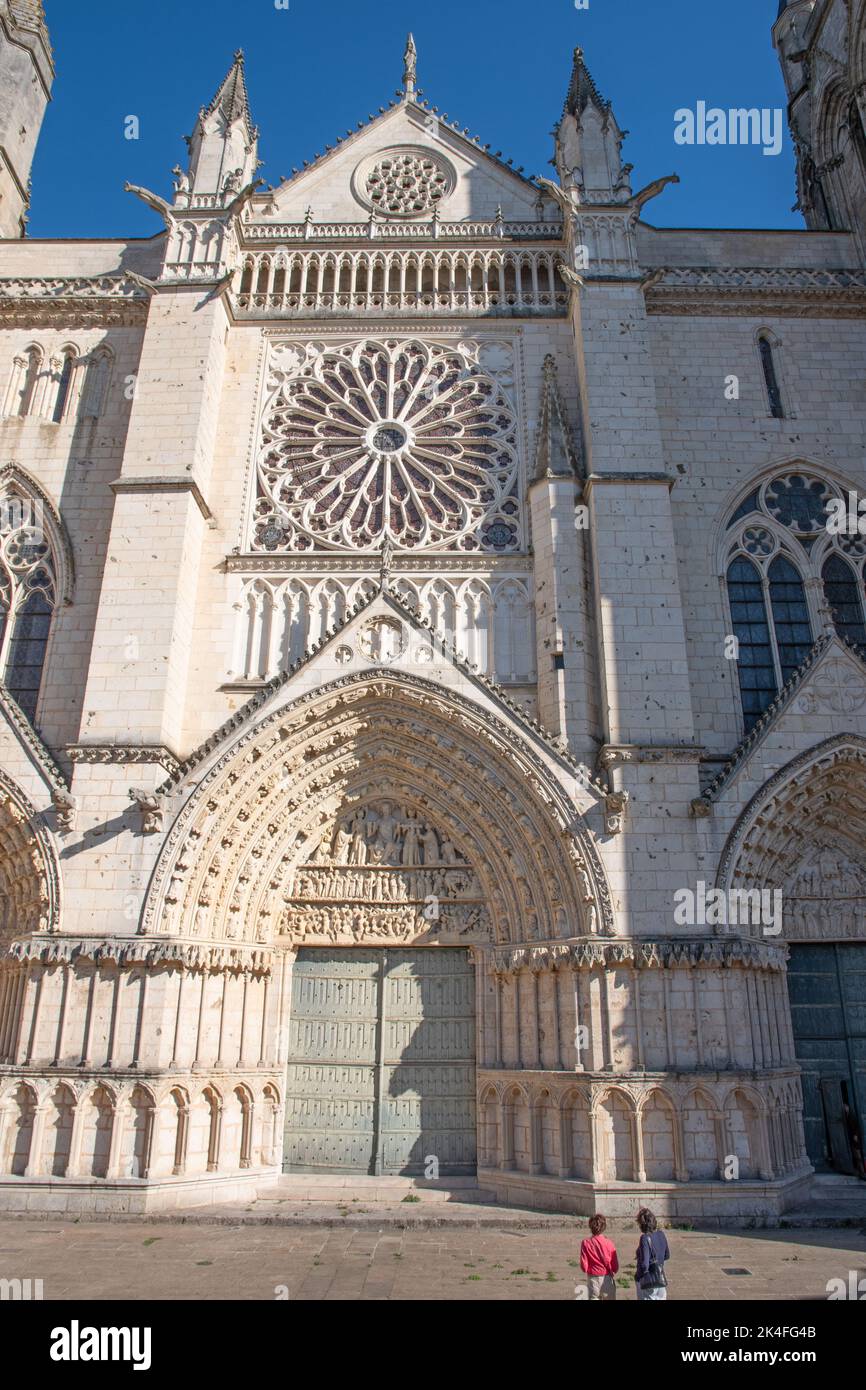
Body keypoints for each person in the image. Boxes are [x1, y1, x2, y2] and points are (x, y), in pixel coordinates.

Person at [579, 1214, 619, 1301]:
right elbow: (615, 1267)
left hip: (593, 1279)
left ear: (590, 1226)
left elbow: (584, 1267)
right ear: (604, 1227)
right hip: (607, 1278)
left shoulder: (586, 1243)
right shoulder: (609, 1243)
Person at [635, 1207, 670, 1301]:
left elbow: (645, 1265)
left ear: (642, 1224)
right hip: (660, 1276)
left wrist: (638, 1277)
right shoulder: (661, 1234)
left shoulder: (645, 1238)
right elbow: (667, 1255)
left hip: (648, 1280)